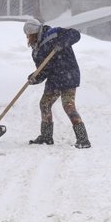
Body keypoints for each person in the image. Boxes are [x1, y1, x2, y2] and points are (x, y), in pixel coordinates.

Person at [23, 18, 91, 149]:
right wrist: (34, 77)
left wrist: (62, 42)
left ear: (33, 32)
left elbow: (75, 34)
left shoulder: (54, 33)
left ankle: (83, 139)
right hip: (54, 79)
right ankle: (46, 137)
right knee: (45, 104)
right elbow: (43, 71)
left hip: (68, 75)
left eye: (28, 35)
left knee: (68, 105)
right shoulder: (36, 51)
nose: (27, 38)